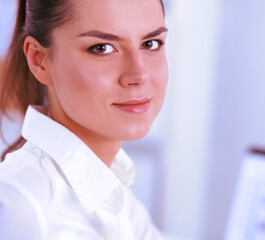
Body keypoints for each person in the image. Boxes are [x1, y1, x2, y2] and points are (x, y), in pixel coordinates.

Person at [0, 0, 168, 239]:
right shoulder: (20, 207)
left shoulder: (121, 202)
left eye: (151, 44)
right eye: (102, 48)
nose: (139, 75)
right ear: (39, 60)